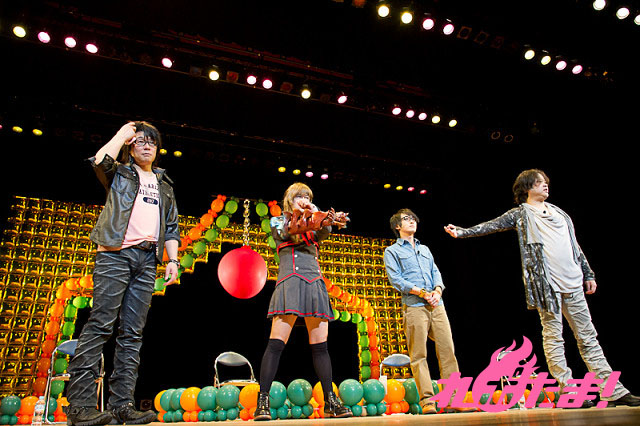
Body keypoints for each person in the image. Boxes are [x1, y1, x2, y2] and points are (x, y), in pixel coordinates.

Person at [444, 169, 640, 408]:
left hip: (573, 281)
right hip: (547, 286)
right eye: (539, 182)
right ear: (527, 187)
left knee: (589, 338)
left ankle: (612, 391)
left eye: (545, 182)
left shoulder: (560, 213)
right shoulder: (521, 214)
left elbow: (574, 245)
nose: (545, 185)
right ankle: (569, 392)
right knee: (554, 338)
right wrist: (462, 232)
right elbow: (491, 225)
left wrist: (588, 273)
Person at [65, 122, 181, 426]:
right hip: (115, 255)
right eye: (140, 141)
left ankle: (121, 405)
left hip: (148, 259)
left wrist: (173, 259)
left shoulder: (164, 184)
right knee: (100, 325)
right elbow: (100, 160)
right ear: (131, 146)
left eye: (151, 142)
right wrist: (121, 134)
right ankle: (79, 405)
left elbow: (171, 227)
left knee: (132, 333)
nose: (147, 146)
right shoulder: (120, 173)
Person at [253, 183, 352, 421]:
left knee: (321, 347)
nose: (305, 198)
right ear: (290, 198)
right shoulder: (278, 221)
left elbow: (325, 232)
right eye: (300, 195)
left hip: (314, 282)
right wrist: (311, 216)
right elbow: (288, 232)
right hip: (290, 281)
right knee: (276, 344)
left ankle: (330, 400)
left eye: (307, 196)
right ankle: (263, 401)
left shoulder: (314, 222)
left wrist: (324, 218)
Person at [383, 208, 472, 414]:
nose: (412, 221)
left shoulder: (425, 249)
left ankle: (453, 399)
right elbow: (396, 280)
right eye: (406, 219)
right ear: (397, 226)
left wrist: (438, 291)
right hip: (414, 306)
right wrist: (423, 293)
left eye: (413, 218)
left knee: (447, 351)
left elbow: (435, 272)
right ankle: (427, 400)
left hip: (437, 305)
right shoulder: (392, 251)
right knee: (419, 355)